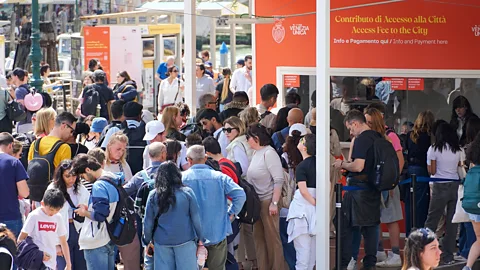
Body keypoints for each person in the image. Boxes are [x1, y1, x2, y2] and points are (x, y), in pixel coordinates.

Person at [182, 145, 246, 270]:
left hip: (190, 234)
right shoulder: (219, 177)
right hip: (216, 231)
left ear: (189, 160)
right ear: (205, 158)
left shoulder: (182, 178)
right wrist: (231, 214)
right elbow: (240, 194)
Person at [333, 109, 382, 270]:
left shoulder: (362, 139)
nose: (350, 131)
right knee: (371, 227)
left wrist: (343, 164)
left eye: (350, 128)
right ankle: (370, 263)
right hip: (374, 187)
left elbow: (358, 166)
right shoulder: (378, 137)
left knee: (348, 227)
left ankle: (346, 262)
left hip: (358, 190)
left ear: (355, 123)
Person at [143, 161, 204, 269]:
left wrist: (147, 241)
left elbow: (148, 222)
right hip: (185, 240)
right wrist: (201, 239)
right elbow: (196, 219)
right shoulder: (187, 193)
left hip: (161, 241)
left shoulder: (153, 195)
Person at [364, 107, 404, 267]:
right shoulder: (371, 137)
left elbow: (400, 160)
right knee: (376, 218)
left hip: (389, 185)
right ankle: (379, 251)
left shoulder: (391, 136)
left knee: (391, 219)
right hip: (376, 184)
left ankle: (395, 253)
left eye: (368, 121)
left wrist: (392, 181)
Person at [246, 124, 287, 270]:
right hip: (258, 201)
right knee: (259, 238)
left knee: (272, 239)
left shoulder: (269, 153)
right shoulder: (257, 153)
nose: (247, 140)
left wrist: (274, 202)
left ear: (256, 138)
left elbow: (278, 179)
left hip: (268, 200)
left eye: (248, 137)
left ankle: (277, 267)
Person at [70, 154, 119, 270]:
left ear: (88, 170)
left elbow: (100, 215)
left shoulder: (98, 186)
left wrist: (84, 212)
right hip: (110, 236)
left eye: (82, 176)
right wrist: (89, 208)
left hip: (96, 240)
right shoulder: (112, 178)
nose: (84, 179)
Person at [424, 122, 463, 265]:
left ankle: (424, 251)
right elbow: (461, 167)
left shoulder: (433, 149)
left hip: (440, 185)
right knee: (452, 223)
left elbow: (432, 171)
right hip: (455, 186)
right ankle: (448, 255)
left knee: (432, 220)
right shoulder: (458, 149)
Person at [27, 112, 75, 206]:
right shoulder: (64, 147)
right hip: (55, 199)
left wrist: (34, 199)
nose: (71, 135)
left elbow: (30, 170)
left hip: (36, 197)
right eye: (71, 130)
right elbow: (65, 176)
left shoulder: (35, 143)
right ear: (64, 126)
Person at [49, 160, 89, 269]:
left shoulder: (80, 187)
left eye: (74, 176)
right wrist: (56, 244)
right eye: (67, 176)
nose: (71, 179)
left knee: (82, 265)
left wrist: (84, 207)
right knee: (64, 265)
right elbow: (48, 217)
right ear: (60, 175)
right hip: (61, 232)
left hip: (78, 229)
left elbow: (88, 203)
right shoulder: (53, 189)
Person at [18, 188, 71, 270]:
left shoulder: (58, 217)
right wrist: (38, 254)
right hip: (35, 263)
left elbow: (63, 242)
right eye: (51, 209)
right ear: (42, 203)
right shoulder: (34, 216)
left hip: (51, 263)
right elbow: (21, 239)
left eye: (57, 210)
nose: (53, 213)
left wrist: (68, 263)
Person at [286, 133, 316, 270]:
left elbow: (303, 191)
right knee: (313, 254)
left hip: (302, 210)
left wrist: (314, 202)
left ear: (305, 147)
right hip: (315, 210)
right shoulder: (320, 164)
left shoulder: (302, 166)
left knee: (302, 254)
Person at [404, 111, 435, 235]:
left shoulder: (411, 135)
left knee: (410, 203)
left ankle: (409, 232)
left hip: (410, 170)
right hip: (423, 170)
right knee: (422, 205)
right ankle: (420, 233)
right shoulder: (430, 137)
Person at [0, 132, 29, 237]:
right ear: (10, 145)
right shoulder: (14, 162)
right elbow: (24, 193)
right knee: (13, 251)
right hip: (10, 216)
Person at [121, 101, 147, 175]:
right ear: (140, 115)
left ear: (123, 115)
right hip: (142, 174)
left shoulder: (116, 130)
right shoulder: (146, 131)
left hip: (122, 174)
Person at [12, 68, 33, 133]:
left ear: (16, 77)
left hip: (23, 122)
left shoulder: (19, 91)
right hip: (31, 120)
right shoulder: (29, 88)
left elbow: (20, 108)